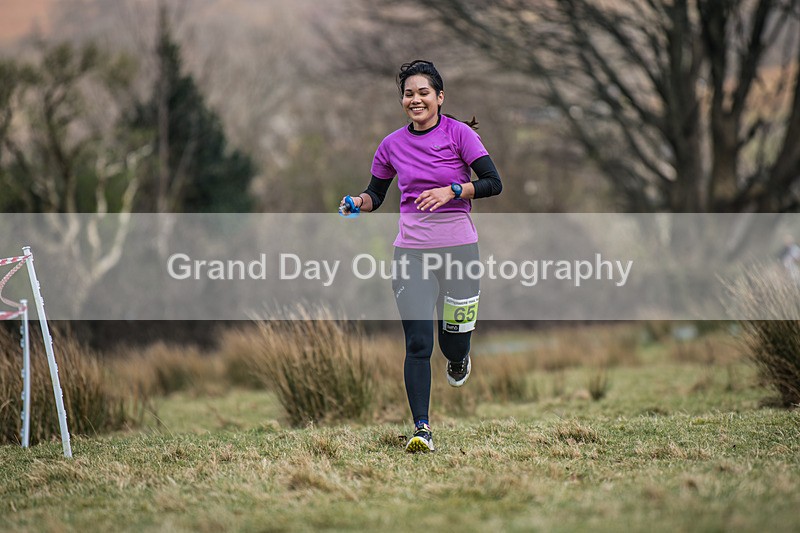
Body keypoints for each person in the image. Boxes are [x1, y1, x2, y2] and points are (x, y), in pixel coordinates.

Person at [340, 60, 502, 453]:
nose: (416, 99)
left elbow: (493, 183)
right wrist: (357, 202)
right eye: (409, 94)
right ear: (403, 100)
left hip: (459, 249)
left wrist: (453, 190)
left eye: (423, 92)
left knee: (453, 344)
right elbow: (376, 194)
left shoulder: (459, 135)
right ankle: (422, 428)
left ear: (439, 97)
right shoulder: (391, 144)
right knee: (417, 344)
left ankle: (459, 359)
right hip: (411, 253)